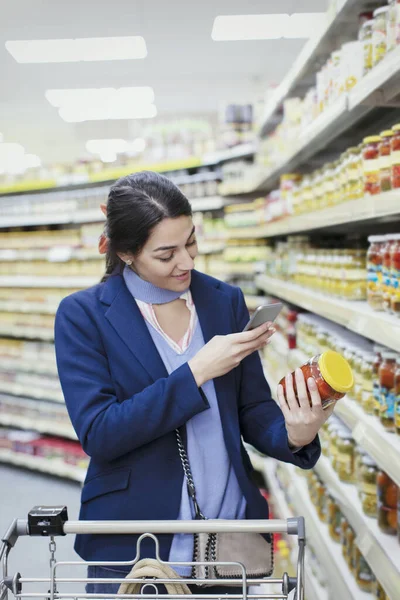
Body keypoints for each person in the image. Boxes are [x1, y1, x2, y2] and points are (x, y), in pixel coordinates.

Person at [55, 171, 332, 596]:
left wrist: (296, 431)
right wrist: (197, 370)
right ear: (126, 253)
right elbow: (101, 432)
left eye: (191, 242)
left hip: (225, 543)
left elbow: (251, 409)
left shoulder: (223, 301)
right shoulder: (83, 315)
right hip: (134, 543)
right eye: (166, 254)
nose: (186, 261)